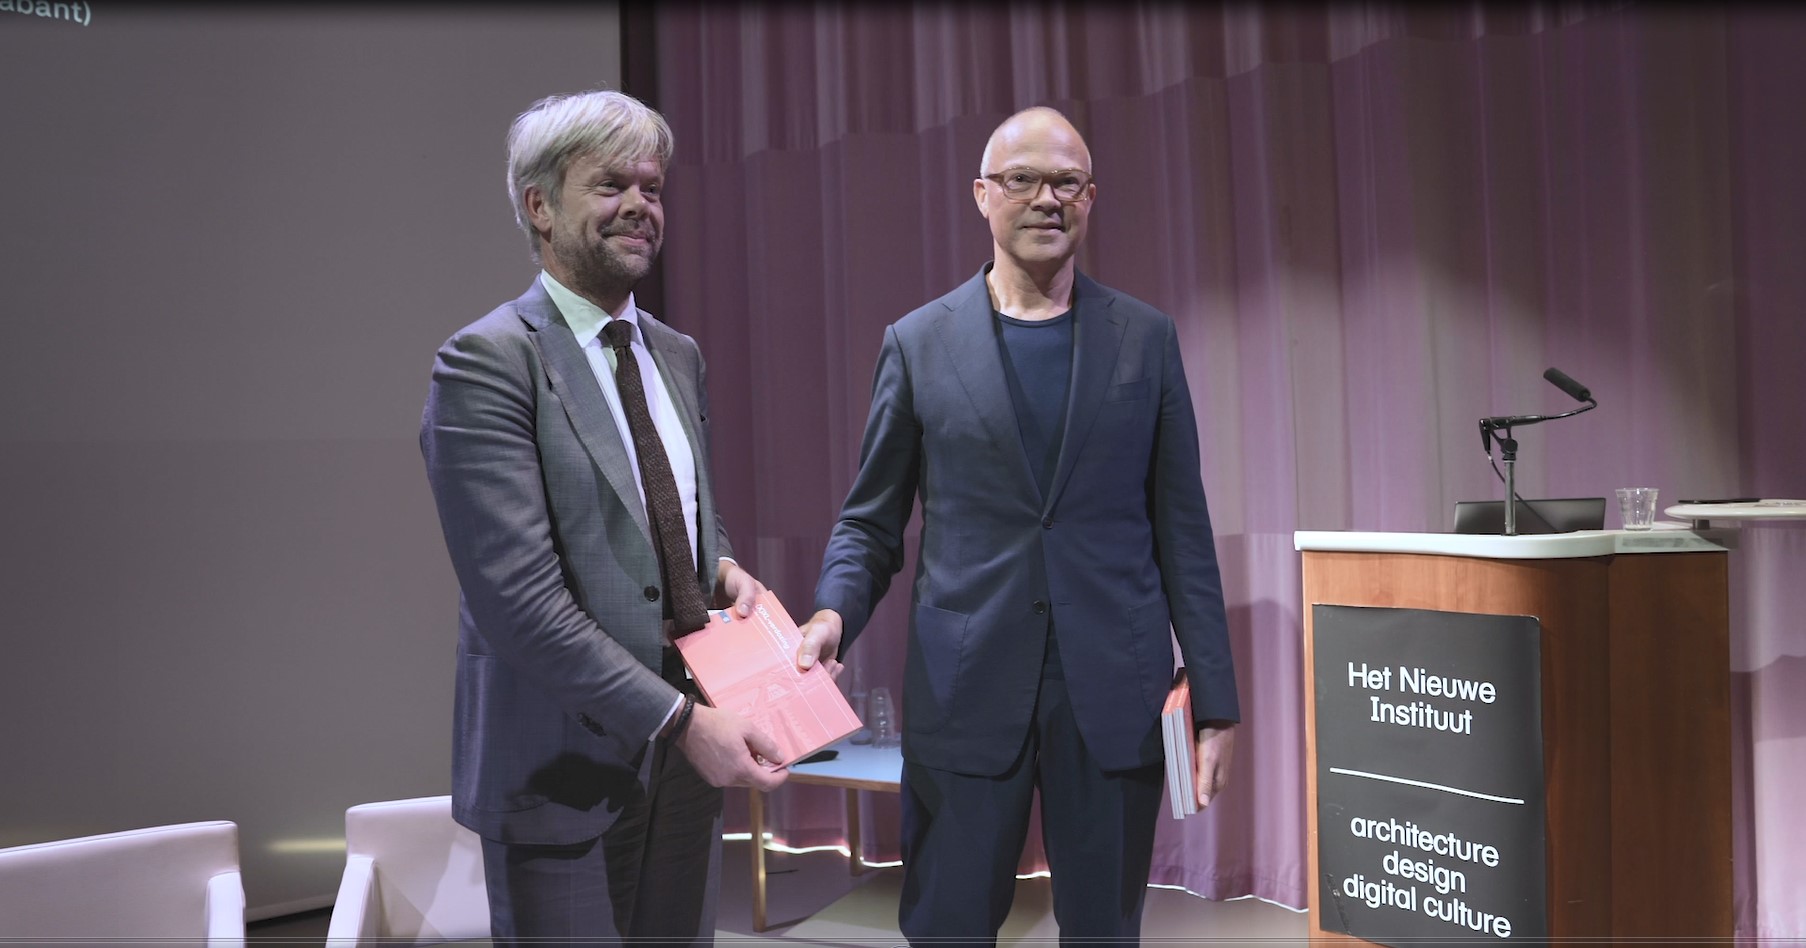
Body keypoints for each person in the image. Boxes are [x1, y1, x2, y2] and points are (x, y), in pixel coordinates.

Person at [796, 106, 1241, 943]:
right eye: (1022, 180)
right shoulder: (918, 343)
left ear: (1091, 198)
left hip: (1115, 692)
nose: (1046, 199)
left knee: (1104, 932)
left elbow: (1183, 530)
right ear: (982, 195)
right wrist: (832, 615)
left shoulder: (1145, 340)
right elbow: (870, 522)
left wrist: (1215, 703)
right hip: (964, 689)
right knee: (949, 927)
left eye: (1067, 182)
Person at [419, 89, 789, 945]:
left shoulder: (677, 354)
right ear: (539, 206)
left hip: (684, 772)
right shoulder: (486, 362)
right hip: (561, 770)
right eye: (611, 185)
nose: (639, 206)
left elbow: (685, 511)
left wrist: (723, 568)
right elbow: (520, 605)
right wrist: (681, 722)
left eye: (652, 188)